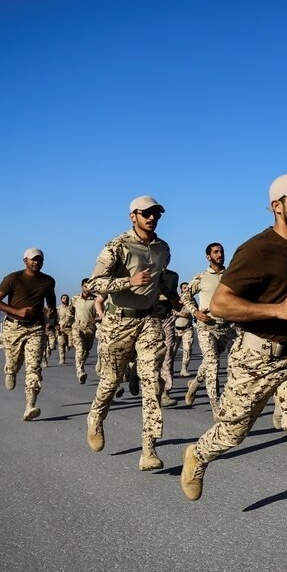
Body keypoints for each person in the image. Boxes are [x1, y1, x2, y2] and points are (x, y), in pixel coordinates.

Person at [179, 173, 287, 569]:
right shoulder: (255, 250)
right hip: (253, 358)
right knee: (232, 432)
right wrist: (276, 311)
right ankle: (198, 454)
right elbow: (221, 304)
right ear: (276, 205)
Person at [84, 196, 172, 472]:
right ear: (133, 216)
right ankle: (96, 418)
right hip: (118, 322)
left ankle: (149, 449)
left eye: (156, 213)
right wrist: (128, 281)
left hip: (149, 322)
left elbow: (158, 279)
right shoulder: (117, 246)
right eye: (146, 213)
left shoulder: (162, 248)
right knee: (110, 380)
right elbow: (93, 283)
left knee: (151, 383)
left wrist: (164, 298)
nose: (152, 218)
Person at [0, 247, 57, 421]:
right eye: (33, 259)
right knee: (14, 362)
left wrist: (51, 313)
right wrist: (16, 312)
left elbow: (51, 303)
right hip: (14, 327)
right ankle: (10, 371)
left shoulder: (48, 281)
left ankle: (30, 405)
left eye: (39, 260)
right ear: (25, 261)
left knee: (34, 368)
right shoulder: (13, 278)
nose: (36, 262)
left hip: (36, 328)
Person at [185, 242, 233, 411]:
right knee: (213, 363)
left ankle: (194, 384)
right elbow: (185, 296)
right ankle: (216, 407)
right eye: (216, 252)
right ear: (208, 257)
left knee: (208, 362)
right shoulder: (201, 277)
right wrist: (195, 312)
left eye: (222, 251)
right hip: (206, 327)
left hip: (225, 328)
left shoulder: (231, 276)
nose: (220, 254)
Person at [156, 269, 181, 408]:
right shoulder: (147, 272)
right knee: (149, 357)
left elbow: (174, 297)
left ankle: (165, 393)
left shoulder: (172, 276)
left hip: (167, 319)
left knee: (167, 355)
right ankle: (134, 372)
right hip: (149, 320)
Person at [71, 279, 98, 384]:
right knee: (79, 348)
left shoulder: (96, 299)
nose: (88, 289)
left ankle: (81, 366)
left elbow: (101, 312)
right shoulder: (75, 298)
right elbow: (70, 310)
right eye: (86, 286)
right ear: (82, 286)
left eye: (90, 287)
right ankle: (80, 371)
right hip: (78, 326)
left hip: (90, 327)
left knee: (86, 351)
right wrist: (67, 321)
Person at [175, 281, 195, 377]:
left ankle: (184, 369)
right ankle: (168, 370)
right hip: (175, 329)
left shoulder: (192, 300)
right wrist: (179, 313)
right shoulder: (176, 299)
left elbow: (196, 311)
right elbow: (170, 311)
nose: (186, 289)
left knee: (187, 349)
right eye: (184, 288)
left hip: (187, 329)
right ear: (181, 289)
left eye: (187, 288)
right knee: (171, 351)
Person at [52, 294, 73, 365]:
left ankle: (68, 345)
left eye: (66, 298)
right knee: (61, 344)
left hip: (70, 328)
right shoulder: (58, 309)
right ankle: (62, 359)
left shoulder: (71, 308)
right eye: (63, 298)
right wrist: (56, 326)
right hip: (61, 328)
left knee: (71, 344)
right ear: (61, 300)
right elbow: (55, 318)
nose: (65, 299)